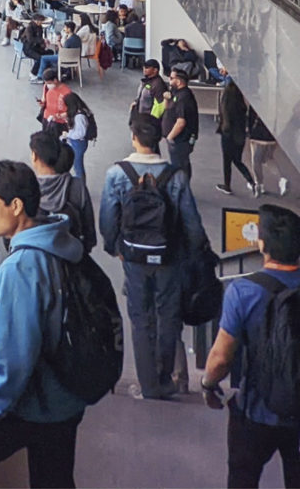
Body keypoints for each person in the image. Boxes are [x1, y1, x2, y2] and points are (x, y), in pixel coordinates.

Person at [0, 160, 89, 489]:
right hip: (70, 394)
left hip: (37, 401)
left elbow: (17, 355)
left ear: (16, 206)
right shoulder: (63, 242)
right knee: (53, 479)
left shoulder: (21, 265)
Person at [203, 205, 300, 489]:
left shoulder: (243, 291)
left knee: (242, 477)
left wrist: (208, 384)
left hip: (256, 410)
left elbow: (221, 357)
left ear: (263, 245)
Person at [100, 114, 207, 399]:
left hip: (134, 256)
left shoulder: (117, 174)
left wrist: (116, 248)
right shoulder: (176, 176)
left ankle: (148, 384)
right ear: (159, 138)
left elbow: (108, 220)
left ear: (134, 137)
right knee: (168, 315)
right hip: (169, 256)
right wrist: (194, 254)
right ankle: (165, 379)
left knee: (140, 316)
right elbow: (191, 223)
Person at [30, 130, 95, 254]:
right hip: (71, 255)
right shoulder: (76, 186)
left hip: (36, 255)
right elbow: (89, 229)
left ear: (35, 156)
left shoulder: (27, 186)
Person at [216, 81, 258, 196]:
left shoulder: (226, 104)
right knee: (237, 160)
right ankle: (252, 181)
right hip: (240, 136)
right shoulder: (241, 105)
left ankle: (227, 185)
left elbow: (225, 120)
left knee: (227, 161)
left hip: (228, 135)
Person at [160, 67, 200, 176]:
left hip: (180, 139)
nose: (169, 80)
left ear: (178, 81)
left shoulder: (184, 97)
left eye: (171, 78)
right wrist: (166, 99)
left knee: (179, 166)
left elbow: (181, 122)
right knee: (181, 164)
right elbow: (167, 108)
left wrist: (170, 137)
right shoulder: (176, 92)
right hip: (176, 139)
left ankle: (181, 190)